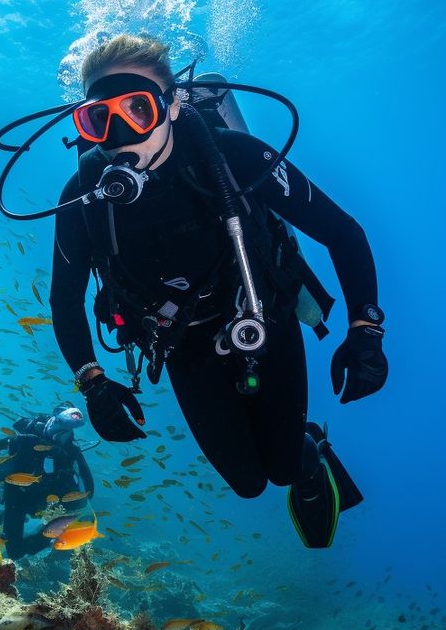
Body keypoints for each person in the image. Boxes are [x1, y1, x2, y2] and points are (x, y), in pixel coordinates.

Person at [49, 34, 388, 548]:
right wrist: (93, 381)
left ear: (174, 106)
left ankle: (308, 448)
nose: (118, 134)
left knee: (283, 467)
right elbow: (64, 297)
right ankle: (301, 445)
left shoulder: (237, 157)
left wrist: (366, 329)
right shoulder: (84, 197)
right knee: (249, 485)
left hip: (263, 319)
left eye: (137, 109)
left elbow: (342, 232)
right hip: (182, 346)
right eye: (98, 118)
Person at [0, 403, 94, 559]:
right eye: (60, 426)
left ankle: (35, 543)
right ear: (52, 421)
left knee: (66, 539)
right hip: (19, 495)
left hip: (50, 498)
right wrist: (17, 443)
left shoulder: (70, 449)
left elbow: (88, 486)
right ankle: (13, 549)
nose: (62, 435)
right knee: (14, 550)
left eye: (67, 431)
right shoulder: (27, 440)